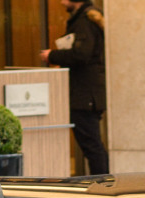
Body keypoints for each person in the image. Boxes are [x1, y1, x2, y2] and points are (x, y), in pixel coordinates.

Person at [40, 0, 109, 176]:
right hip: (87, 94)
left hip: (84, 95)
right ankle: (103, 185)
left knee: (92, 147)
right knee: (93, 146)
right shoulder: (84, 18)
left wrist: (53, 55)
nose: (62, 2)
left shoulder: (83, 21)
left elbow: (82, 54)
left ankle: (104, 187)